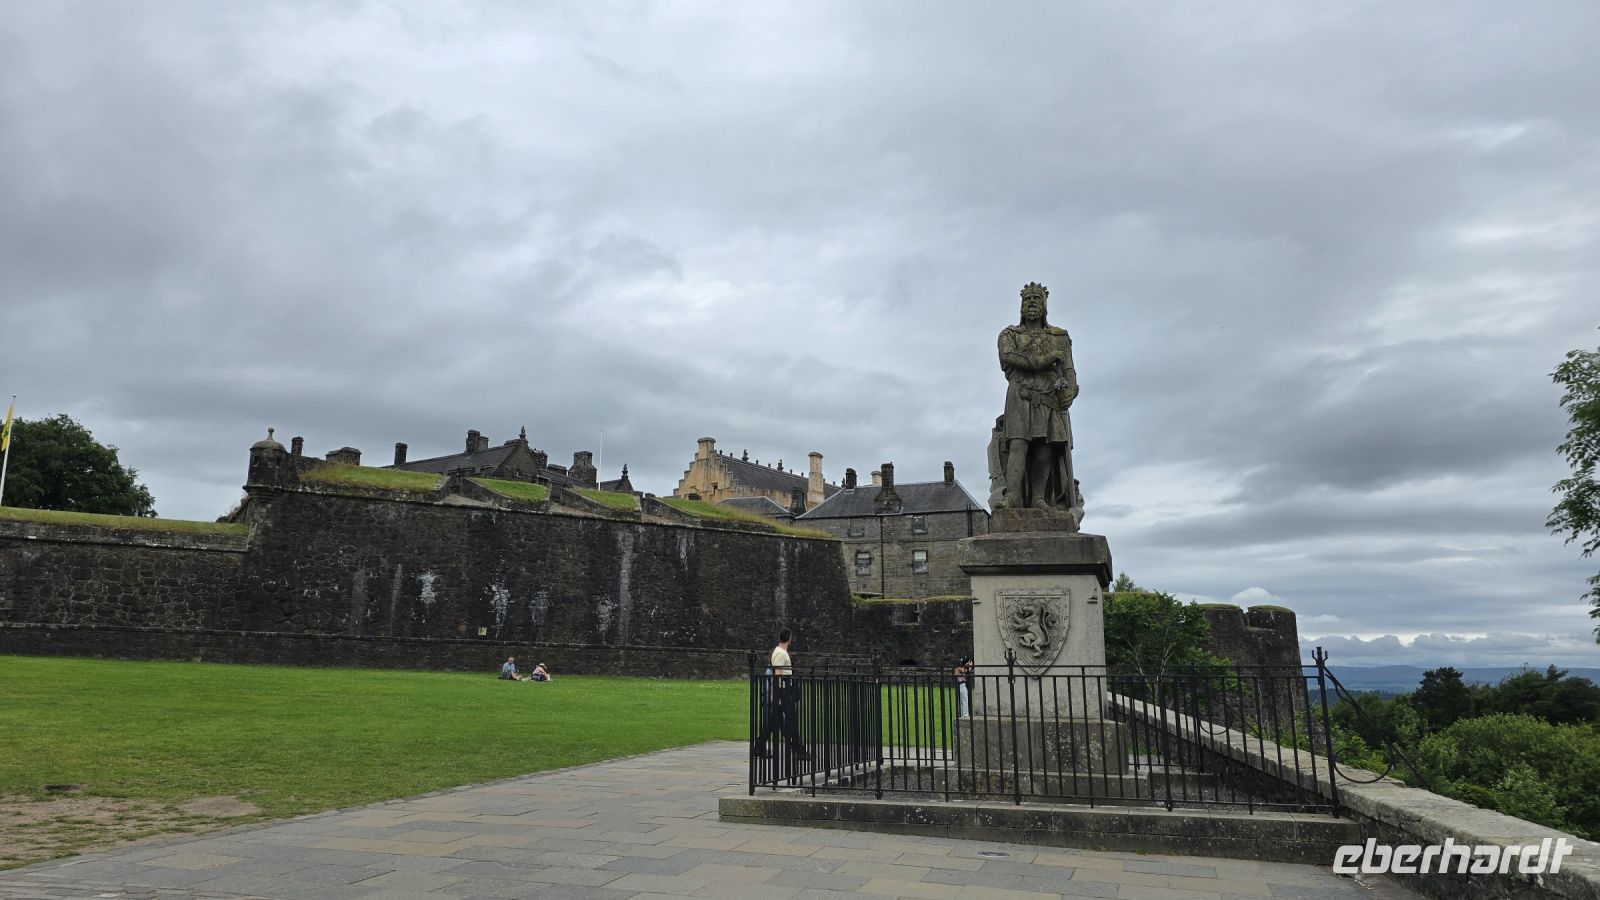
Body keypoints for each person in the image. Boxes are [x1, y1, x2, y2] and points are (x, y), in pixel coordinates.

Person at [995, 282, 1080, 516]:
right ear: (1021, 305)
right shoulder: (1009, 335)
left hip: (1048, 397)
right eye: (1028, 299)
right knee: (1018, 444)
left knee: (1044, 450)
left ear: (1044, 305)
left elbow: (1069, 370)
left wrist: (1070, 392)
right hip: (1020, 395)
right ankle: (1013, 496)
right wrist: (1044, 360)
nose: (1032, 302)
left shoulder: (1059, 337)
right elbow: (1008, 356)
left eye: (1037, 298)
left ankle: (1039, 497)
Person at [753, 629, 810, 760]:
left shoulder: (780, 652)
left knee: (772, 722)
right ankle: (799, 750)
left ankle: (759, 747)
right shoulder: (780, 653)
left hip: (782, 691)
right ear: (789, 639)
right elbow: (777, 674)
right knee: (791, 720)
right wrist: (776, 695)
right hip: (782, 692)